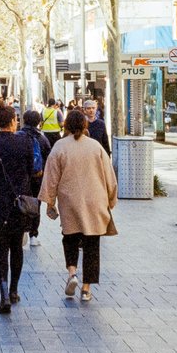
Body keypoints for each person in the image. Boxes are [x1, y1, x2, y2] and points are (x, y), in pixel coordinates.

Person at [39, 108, 118, 302]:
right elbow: (110, 178)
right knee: (92, 244)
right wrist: (111, 200)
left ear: (65, 125)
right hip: (95, 200)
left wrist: (50, 202)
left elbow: (51, 177)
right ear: (85, 125)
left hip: (70, 200)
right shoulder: (96, 147)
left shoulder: (59, 147)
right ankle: (86, 288)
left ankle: (72, 273)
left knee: (70, 237)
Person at [0, 103, 34, 314]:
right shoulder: (25, 142)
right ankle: (13, 290)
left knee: (0, 248)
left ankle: (3, 293)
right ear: (13, 121)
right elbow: (31, 170)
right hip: (19, 202)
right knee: (17, 247)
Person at [18, 110, 52, 247]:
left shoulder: (18, 137)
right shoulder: (42, 139)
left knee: (21, 203)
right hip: (38, 177)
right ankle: (33, 235)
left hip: (21, 177)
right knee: (35, 204)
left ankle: (22, 230)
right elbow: (49, 158)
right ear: (38, 122)